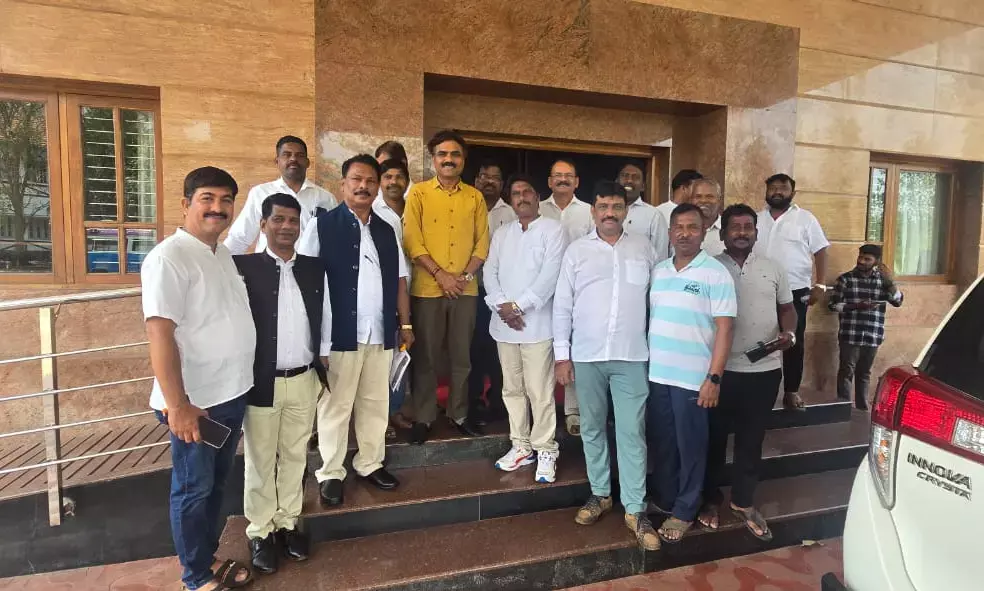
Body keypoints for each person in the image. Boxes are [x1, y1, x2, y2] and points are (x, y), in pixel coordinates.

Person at [142, 167, 255, 591]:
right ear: (185, 204)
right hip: (196, 404)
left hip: (230, 395)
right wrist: (178, 406)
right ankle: (195, 576)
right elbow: (160, 333)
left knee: (215, 484)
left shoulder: (220, 253)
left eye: (226, 200)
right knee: (193, 488)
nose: (218, 208)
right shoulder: (169, 257)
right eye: (207, 198)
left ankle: (206, 558)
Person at [298, 154, 412, 505]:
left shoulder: (386, 229)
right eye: (356, 180)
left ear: (377, 188)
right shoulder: (321, 226)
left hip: (380, 332)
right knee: (335, 405)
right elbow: (305, 281)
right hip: (338, 334)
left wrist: (405, 323)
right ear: (343, 184)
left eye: (370, 181)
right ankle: (331, 472)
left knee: (375, 403)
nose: (363, 186)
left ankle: (370, 462)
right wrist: (313, 338)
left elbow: (399, 279)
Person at [554, 180, 660, 552]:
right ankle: (600, 494)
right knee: (592, 428)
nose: (610, 213)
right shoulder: (577, 252)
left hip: (632, 356)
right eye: (603, 206)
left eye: (616, 206)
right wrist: (562, 355)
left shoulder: (644, 249)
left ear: (626, 211)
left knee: (632, 432)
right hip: (587, 356)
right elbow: (562, 305)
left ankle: (635, 507)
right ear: (593, 211)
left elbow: (656, 302)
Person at [233, 194, 332, 574]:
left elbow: (325, 315)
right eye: (278, 220)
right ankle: (260, 531)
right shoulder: (244, 268)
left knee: (294, 456)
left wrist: (324, 357)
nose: (287, 227)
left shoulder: (314, 268)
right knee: (260, 460)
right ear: (263, 224)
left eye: (293, 220)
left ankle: (288, 522)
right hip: (262, 382)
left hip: (303, 378)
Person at [696, 204, 797, 542]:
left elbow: (787, 309)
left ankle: (743, 500)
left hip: (764, 370)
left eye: (748, 227)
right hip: (719, 371)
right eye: (735, 227)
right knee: (713, 440)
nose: (741, 232)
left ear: (756, 232)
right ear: (723, 233)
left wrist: (789, 332)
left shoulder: (773, 268)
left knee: (751, 440)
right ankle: (710, 499)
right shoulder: (709, 268)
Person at [647, 200, 736, 545]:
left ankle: (685, 510)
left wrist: (714, 378)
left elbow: (725, 329)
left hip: (693, 380)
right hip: (658, 376)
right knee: (664, 445)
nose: (685, 234)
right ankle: (667, 500)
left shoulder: (715, 273)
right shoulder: (659, 271)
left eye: (692, 227)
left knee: (692, 448)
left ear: (703, 232)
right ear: (670, 233)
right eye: (679, 228)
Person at [404, 130, 490, 444]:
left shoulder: (475, 197)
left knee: (461, 356)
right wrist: (441, 275)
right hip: (428, 288)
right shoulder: (418, 194)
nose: (449, 159)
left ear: (463, 160)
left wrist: (462, 278)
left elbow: (482, 244)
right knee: (426, 356)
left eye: (455, 154)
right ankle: (424, 416)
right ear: (434, 159)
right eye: (442, 154)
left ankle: (459, 414)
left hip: (465, 290)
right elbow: (412, 240)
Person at [485, 173, 566, 482]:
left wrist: (518, 307)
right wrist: (502, 306)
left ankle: (545, 448)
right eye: (516, 193)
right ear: (511, 200)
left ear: (537, 196)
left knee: (539, 391)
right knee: (512, 389)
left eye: (527, 191)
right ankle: (521, 445)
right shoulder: (502, 233)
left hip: (537, 327)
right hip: (504, 326)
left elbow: (549, 276)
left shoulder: (553, 230)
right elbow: (490, 272)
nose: (522, 197)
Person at [753, 173, 829, 411]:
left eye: (783, 188)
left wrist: (820, 284)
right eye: (772, 188)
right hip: (759, 290)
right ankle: (758, 391)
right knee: (759, 340)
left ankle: (791, 391)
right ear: (766, 192)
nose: (777, 192)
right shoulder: (756, 219)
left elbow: (821, 250)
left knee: (793, 341)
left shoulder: (805, 219)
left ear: (792, 193)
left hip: (795, 291)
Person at [540, 158, 595, 436]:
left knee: (573, 350)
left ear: (577, 181)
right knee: (542, 352)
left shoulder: (589, 212)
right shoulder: (537, 210)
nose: (563, 179)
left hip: (578, 291)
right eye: (557, 175)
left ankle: (573, 411)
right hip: (541, 292)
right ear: (550, 181)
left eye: (568, 175)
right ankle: (543, 412)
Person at [224, 136, 337, 255]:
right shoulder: (260, 193)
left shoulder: (326, 198)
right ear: (277, 161)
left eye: (299, 155)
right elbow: (239, 238)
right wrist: (220, 262)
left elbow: (335, 240)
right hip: (268, 266)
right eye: (286, 155)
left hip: (311, 266)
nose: (293, 159)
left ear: (307, 162)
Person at [467, 160, 515, 425]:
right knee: (472, 348)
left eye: (495, 177)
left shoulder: (510, 214)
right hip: (469, 290)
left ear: (502, 185)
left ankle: (498, 401)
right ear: (476, 179)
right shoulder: (465, 206)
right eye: (484, 175)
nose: (488, 181)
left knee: (498, 350)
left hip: (499, 293)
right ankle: (472, 401)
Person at [828, 244, 903, 410]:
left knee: (864, 373)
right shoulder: (845, 279)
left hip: (872, 334)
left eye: (867, 259)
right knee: (846, 371)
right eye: (860, 257)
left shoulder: (883, 281)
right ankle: (843, 409)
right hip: (850, 333)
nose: (861, 261)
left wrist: (890, 283)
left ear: (876, 261)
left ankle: (862, 409)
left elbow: (897, 302)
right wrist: (856, 306)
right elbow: (833, 305)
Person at [374, 158, 415, 436]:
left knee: (404, 354)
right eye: (387, 176)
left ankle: (396, 409)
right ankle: (380, 416)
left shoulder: (416, 207)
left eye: (399, 176)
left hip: (417, 292)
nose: (393, 182)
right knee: (383, 358)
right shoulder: (374, 213)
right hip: (386, 296)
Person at [617, 162, 669, 258]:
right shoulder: (604, 213)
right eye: (625, 176)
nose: (629, 180)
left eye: (635, 177)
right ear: (616, 182)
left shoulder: (654, 215)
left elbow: (660, 256)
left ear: (643, 186)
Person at [691, 178, 725, 256]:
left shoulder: (728, 230)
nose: (703, 201)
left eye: (709, 196)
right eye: (698, 196)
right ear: (691, 200)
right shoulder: (681, 230)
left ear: (719, 200)